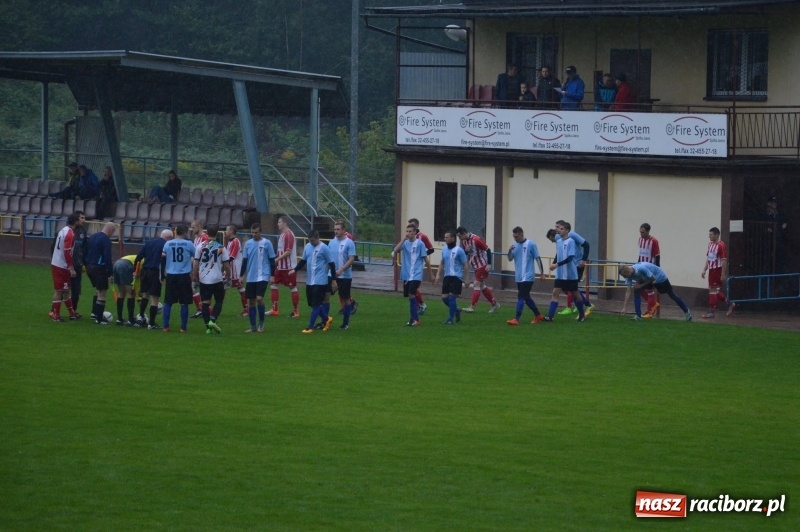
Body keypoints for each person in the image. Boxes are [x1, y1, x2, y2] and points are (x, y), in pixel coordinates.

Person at [290, 231, 338, 334]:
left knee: (316, 304)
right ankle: (327, 319)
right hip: (310, 280)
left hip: (320, 281)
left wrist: (334, 280)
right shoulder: (307, 246)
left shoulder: (324, 248)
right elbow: (303, 261)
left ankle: (310, 327)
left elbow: (332, 264)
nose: (311, 242)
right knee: (312, 304)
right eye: (310, 240)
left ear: (318, 238)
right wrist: (295, 270)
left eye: (313, 240)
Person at [546, 222, 593, 316]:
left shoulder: (571, 236)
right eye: (556, 227)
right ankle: (577, 305)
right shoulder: (559, 238)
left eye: (558, 227)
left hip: (576, 265)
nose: (556, 229)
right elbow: (559, 253)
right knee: (563, 289)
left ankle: (583, 306)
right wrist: (554, 264)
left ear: (564, 228)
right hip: (564, 267)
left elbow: (586, 245)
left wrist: (583, 260)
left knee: (573, 289)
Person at [619, 263, 693, 321]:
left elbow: (653, 278)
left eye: (624, 275)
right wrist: (624, 307)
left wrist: (641, 285)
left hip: (659, 278)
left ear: (628, 271)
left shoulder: (641, 268)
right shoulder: (629, 275)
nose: (624, 277)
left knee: (672, 295)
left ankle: (687, 311)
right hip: (648, 279)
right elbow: (628, 292)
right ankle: (638, 316)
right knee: (636, 290)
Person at [193, 225, 231, 334]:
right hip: (217, 279)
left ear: (207, 233)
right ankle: (213, 319)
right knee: (219, 301)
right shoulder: (221, 247)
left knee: (205, 303)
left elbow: (196, 263)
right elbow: (226, 265)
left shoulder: (200, 246)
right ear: (217, 234)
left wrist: (194, 276)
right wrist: (228, 276)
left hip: (204, 279)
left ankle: (208, 328)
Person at [505, 226, 545, 325]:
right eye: (514, 237)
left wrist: (542, 273)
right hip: (519, 276)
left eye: (516, 237)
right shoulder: (514, 245)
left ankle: (516, 319)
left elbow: (538, 258)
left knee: (521, 296)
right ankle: (538, 315)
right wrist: (509, 251)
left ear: (522, 234)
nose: (515, 239)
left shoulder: (531, 244)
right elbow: (510, 259)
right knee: (526, 297)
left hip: (528, 276)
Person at [241, 223, 277, 333]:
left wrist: (272, 275)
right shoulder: (248, 244)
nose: (254, 234)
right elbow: (245, 260)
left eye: (256, 232)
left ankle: (261, 323)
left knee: (259, 298)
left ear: (260, 232)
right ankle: (253, 326)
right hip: (251, 276)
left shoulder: (267, 243)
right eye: (252, 232)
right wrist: (241, 275)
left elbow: (272, 260)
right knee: (251, 301)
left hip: (263, 275)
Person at [456, 226, 499, 313]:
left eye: (460, 236)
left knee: (476, 284)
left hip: (482, 265)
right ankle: (494, 304)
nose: (459, 238)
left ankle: (472, 306)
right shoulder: (464, 241)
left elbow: (488, 250)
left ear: (464, 233)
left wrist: (489, 264)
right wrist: (466, 251)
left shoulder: (476, 240)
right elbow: (466, 253)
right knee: (482, 286)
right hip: (475, 266)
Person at [134, 229, 171, 328]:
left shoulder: (149, 242)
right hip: (156, 272)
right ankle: (151, 323)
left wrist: (135, 271)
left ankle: (141, 317)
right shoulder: (166, 245)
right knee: (154, 298)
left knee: (145, 295)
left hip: (145, 271)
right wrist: (164, 275)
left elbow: (138, 257)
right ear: (169, 237)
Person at [162, 224, 196, 332]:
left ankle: (165, 326)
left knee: (168, 302)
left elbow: (163, 257)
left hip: (171, 275)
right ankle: (183, 327)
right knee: (184, 303)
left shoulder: (168, 243)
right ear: (185, 232)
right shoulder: (189, 244)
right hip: (184, 275)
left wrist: (163, 272)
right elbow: (196, 256)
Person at [48, 212, 82, 322]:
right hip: (61, 265)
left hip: (59, 263)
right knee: (59, 290)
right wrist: (71, 268)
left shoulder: (63, 230)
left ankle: (72, 313)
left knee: (66, 290)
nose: (82, 221)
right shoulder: (70, 233)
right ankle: (55, 314)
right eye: (80, 219)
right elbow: (67, 251)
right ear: (76, 221)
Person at [393, 224, 428, 326]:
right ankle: (415, 315)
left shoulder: (420, 244)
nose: (408, 233)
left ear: (415, 232)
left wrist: (431, 274)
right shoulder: (405, 243)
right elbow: (396, 250)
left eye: (410, 231)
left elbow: (426, 259)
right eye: (407, 231)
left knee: (411, 294)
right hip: (407, 275)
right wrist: (403, 239)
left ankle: (415, 319)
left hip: (416, 274)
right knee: (410, 296)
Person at [432, 230, 468, 325]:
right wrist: (438, 274)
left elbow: (465, 264)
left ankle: (450, 319)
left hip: (456, 277)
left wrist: (467, 278)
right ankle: (456, 310)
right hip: (447, 276)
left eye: (447, 237)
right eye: (445, 237)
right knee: (444, 298)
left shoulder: (459, 250)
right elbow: (442, 262)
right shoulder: (444, 249)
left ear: (452, 238)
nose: (445, 239)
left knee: (452, 298)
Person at [85, 222, 117, 324]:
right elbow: (107, 257)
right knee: (102, 292)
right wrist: (110, 273)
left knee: (98, 290)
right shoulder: (106, 240)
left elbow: (85, 251)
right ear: (111, 230)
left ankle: (94, 313)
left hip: (89, 266)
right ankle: (99, 319)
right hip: (99, 268)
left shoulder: (92, 237)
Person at [328, 220, 358, 330]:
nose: (336, 231)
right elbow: (328, 259)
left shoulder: (349, 243)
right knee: (325, 296)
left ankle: (345, 323)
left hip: (345, 276)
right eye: (335, 229)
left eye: (338, 229)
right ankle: (324, 320)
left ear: (344, 230)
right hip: (331, 275)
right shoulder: (331, 243)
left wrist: (341, 270)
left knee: (345, 298)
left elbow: (351, 259)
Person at [269, 215, 300, 318]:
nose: (278, 224)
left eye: (280, 222)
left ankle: (296, 311)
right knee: (273, 284)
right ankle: (275, 310)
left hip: (289, 267)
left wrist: (276, 259)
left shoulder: (289, 235)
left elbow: (288, 251)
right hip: (280, 266)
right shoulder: (282, 234)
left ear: (285, 223)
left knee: (292, 287)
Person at [701, 227, 734, 318]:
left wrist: (723, 274)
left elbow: (724, 260)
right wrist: (704, 269)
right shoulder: (710, 244)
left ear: (716, 235)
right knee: (714, 290)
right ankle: (729, 304)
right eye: (709, 234)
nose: (709, 236)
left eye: (711, 234)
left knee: (712, 289)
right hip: (711, 270)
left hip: (717, 270)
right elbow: (708, 258)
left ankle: (711, 311)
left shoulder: (721, 245)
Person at [407, 218, 435, 314]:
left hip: (417, 265)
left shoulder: (422, 237)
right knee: (410, 288)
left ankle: (420, 305)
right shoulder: (408, 237)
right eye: (409, 225)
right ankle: (419, 305)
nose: (410, 228)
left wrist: (422, 255)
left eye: (413, 225)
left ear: (417, 226)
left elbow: (431, 249)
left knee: (413, 287)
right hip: (409, 265)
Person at [637, 223, 661, 318]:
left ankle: (649, 311)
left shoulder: (654, 241)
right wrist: (637, 265)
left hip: (650, 269)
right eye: (640, 232)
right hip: (641, 268)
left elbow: (657, 256)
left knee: (649, 290)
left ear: (648, 231)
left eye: (643, 232)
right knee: (638, 288)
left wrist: (657, 269)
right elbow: (640, 254)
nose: (641, 234)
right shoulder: (640, 240)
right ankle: (653, 304)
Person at [224, 224, 248, 317]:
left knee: (239, 287)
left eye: (227, 230)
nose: (225, 231)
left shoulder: (235, 241)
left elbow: (231, 257)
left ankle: (246, 309)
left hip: (235, 269)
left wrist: (222, 264)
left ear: (231, 231)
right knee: (223, 286)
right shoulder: (230, 241)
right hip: (230, 268)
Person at [112, 254, 141, 326]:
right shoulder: (144, 262)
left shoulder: (138, 257)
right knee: (130, 293)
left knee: (121, 292)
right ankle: (131, 320)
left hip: (116, 264)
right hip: (125, 265)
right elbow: (138, 276)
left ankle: (119, 319)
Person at [763, 196, 789, 273]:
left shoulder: (779, 214)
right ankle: (768, 274)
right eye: (772, 203)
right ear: (768, 204)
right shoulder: (765, 214)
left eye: (775, 203)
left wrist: (785, 224)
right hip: (768, 240)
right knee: (767, 258)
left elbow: (784, 221)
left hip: (778, 240)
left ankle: (778, 275)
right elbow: (762, 224)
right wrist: (766, 229)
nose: (774, 205)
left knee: (779, 258)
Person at [189, 218, 209, 317]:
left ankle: (204, 310)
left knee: (198, 288)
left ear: (199, 226)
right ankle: (201, 309)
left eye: (193, 227)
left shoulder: (204, 238)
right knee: (195, 287)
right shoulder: (196, 237)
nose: (192, 229)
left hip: (202, 267)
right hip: (196, 266)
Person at [70, 210, 88, 317]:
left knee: (76, 290)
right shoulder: (67, 230)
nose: (84, 220)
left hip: (77, 265)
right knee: (62, 289)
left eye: (84, 218)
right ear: (76, 219)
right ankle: (54, 310)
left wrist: (84, 263)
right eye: (82, 218)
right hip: (66, 265)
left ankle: (73, 312)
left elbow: (84, 248)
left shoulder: (83, 231)